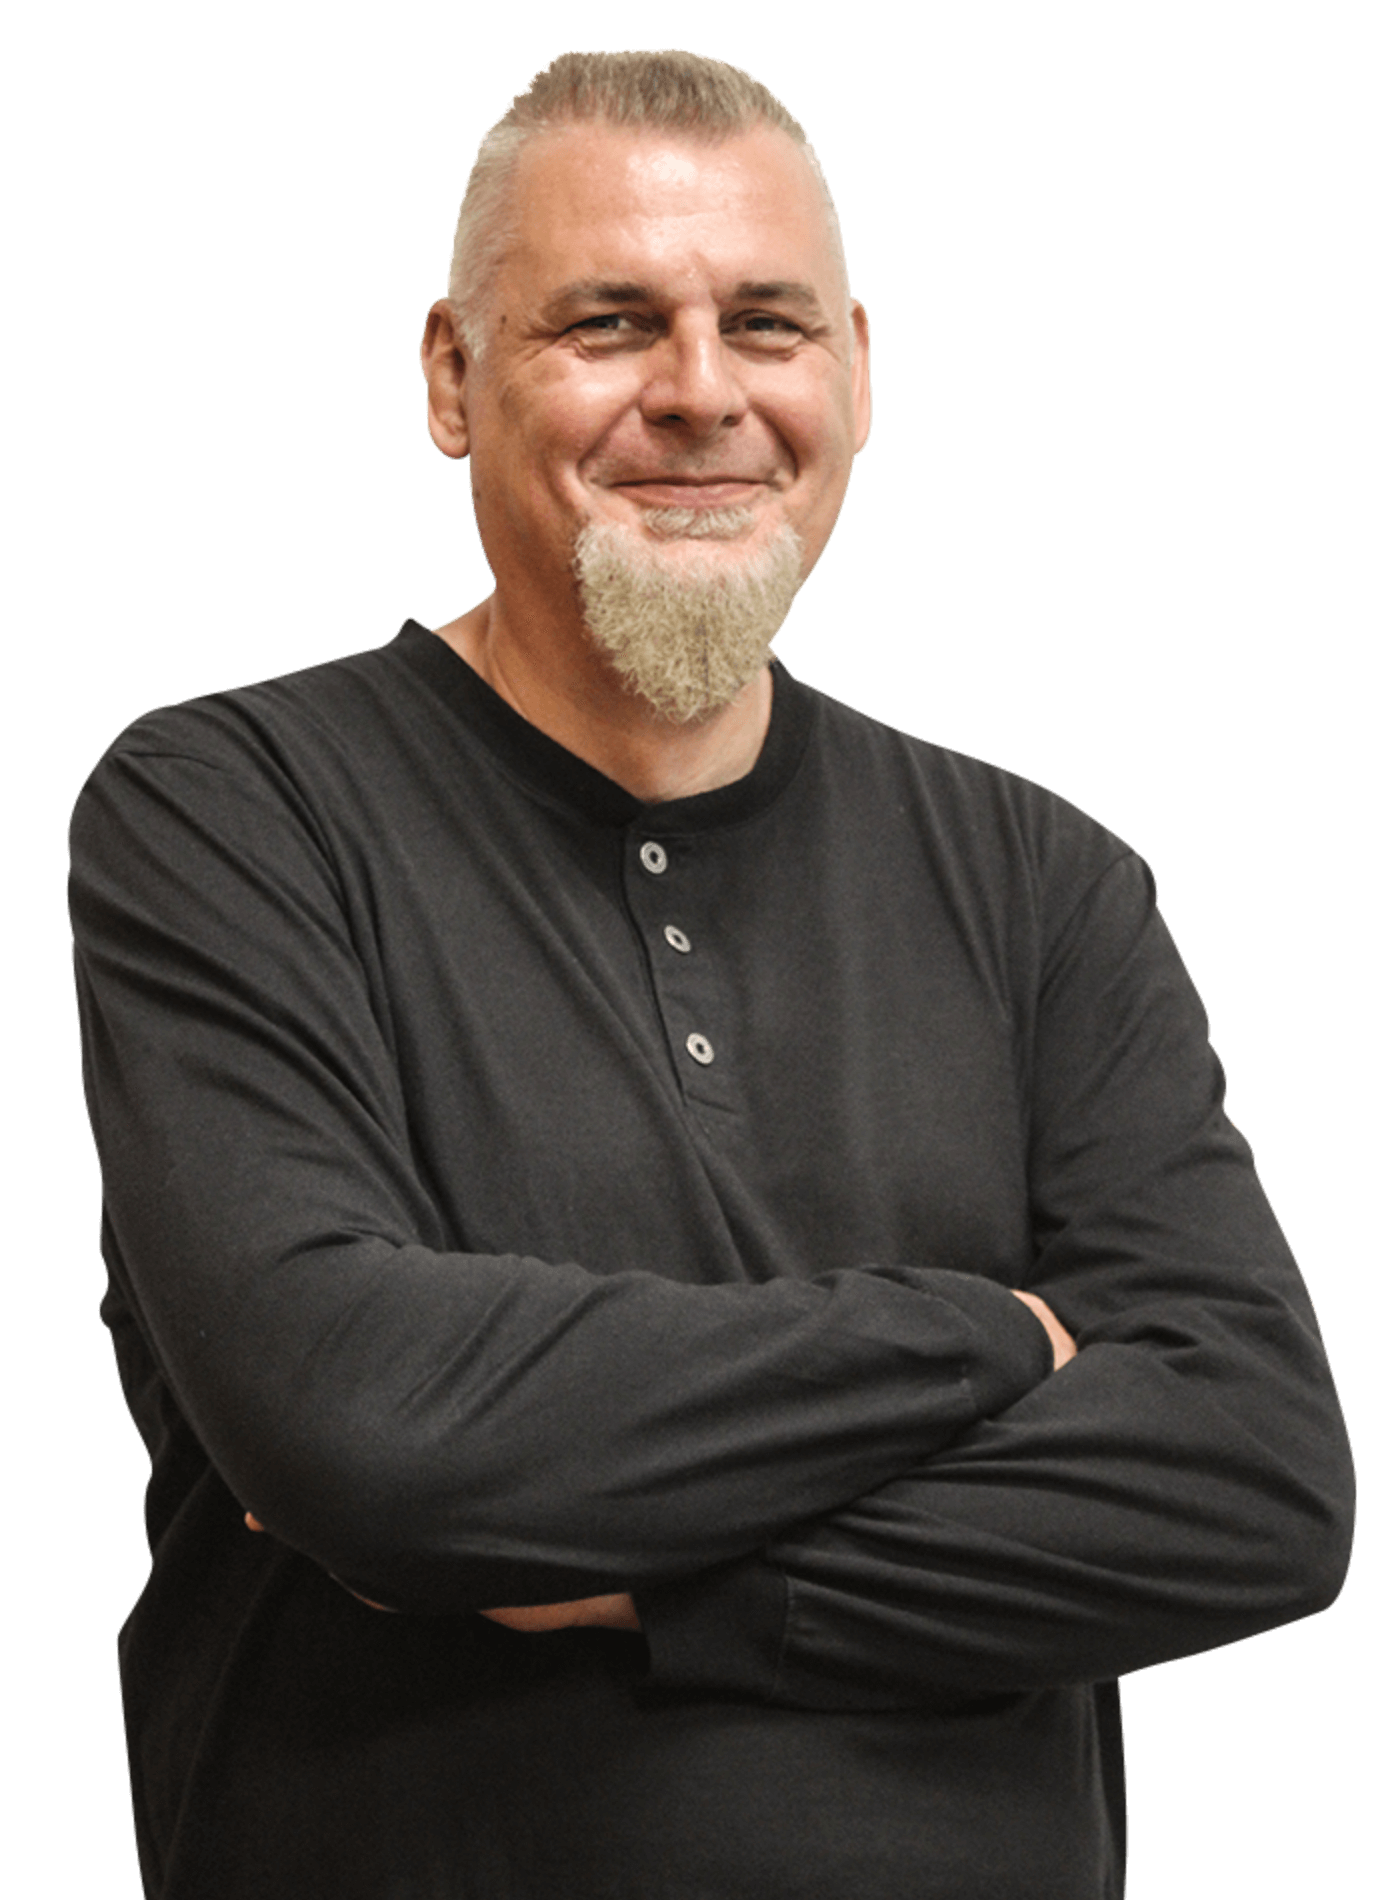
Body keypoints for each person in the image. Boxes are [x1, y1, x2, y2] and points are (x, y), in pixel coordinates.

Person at [70, 49, 1354, 1900]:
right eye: (608, 323)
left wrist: (652, 1583)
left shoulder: (1043, 880)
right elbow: (361, 1430)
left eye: (766, 324)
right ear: (450, 375)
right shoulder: (233, 809)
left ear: (856, 374)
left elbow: (1259, 1481)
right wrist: (991, 1338)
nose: (700, 392)